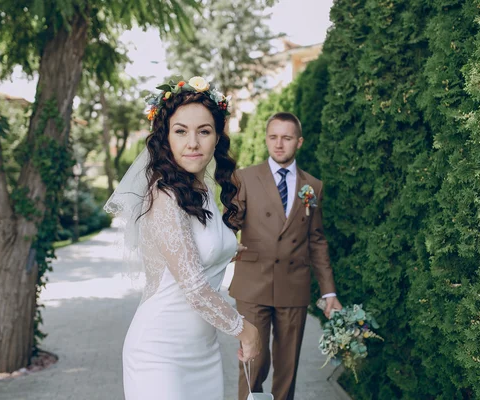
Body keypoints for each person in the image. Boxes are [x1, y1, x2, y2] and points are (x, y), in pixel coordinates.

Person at [104, 76, 261, 400]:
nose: (193, 142)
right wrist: (245, 330)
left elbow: (193, 248)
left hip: (203, 351)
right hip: (160, 354)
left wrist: (226, 251)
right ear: (166, 138)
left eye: (203, 131)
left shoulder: (200, 189)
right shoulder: (164, 195)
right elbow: (193, 288)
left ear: (217, 137)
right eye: (181, 131)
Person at [229, 112, 342, 400]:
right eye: (273, 137)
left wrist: (329, 292)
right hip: (253, 284)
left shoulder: (312, 186)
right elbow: (228, 225)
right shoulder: (244, 177)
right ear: (267, 139)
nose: (279, 144)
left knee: (287, 366)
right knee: (253, 362)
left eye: (287, 138)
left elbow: (316, 240)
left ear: (299, 142)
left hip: (293, 285)